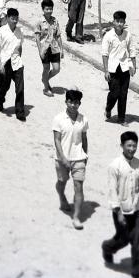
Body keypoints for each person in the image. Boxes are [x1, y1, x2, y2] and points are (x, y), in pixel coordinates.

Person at [102, 131, 139, 278]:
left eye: (134, 146)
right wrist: (119, 212)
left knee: (138, 240)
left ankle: (137, 271)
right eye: (129, 146)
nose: (132, 149)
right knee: (123, 239)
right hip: (122, 210)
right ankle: (107, 247)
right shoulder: (115, 166)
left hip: (138, 208)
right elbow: (112, 191)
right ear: (122, 146)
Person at [53, 89, 89, 230]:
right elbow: (57, 140)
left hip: (79, 157)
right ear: (66, 102)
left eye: (76, 103)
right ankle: (62, 197)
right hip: (62, 158)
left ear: (79, 103)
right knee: (62, 182)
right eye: (71, 102)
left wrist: (85, 155)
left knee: (79, 187)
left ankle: (76, 217)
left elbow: (84, 139)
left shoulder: (83, 119)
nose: (73, 105)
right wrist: (63, 157)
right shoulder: (58, 119)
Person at [101, 11, 137, 124]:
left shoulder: (128, 35)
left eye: (122, 21)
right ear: (113, 22)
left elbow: (132, 50)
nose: (120, 24)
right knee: (114, 92)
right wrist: (106, 71)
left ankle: (121, 118)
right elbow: (105, 54)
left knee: (123, 94)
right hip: (112, 68)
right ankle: (108, 108)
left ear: (124, 22)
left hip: (125, 67)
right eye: (117, 21)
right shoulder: (108, 36)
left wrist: (134, 66)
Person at [0, 7, 26, 121]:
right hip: (4, 62)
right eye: (12, 18)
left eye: (16, 18)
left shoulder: (20, 31)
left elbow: (20, 46)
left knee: (20, 88)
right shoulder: (1, 30)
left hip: (17, 62)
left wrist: (19, 58)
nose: (15, 21)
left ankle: (20, 112)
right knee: (4, 86)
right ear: (7, 18)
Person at [36, 0, 64, 96]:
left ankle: (45, 80)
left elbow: (58, 36)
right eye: (47, 9)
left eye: (51, 9)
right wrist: (40, 51)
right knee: (46, 68)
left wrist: (62, 49)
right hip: (44, 49)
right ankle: (46, 88)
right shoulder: (39, 21)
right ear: (43, 9)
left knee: (57, 69)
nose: (49, 11)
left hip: (54, 48)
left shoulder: (55, 21)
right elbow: (37, 37)